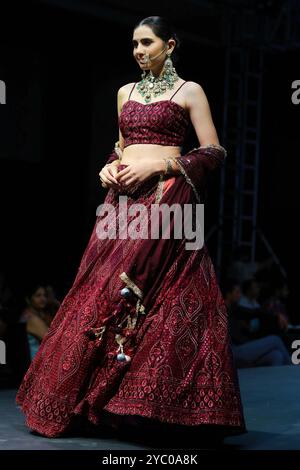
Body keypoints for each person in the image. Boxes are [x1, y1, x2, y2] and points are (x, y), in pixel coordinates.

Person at [16, 16, 246, 441]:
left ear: (170, 45)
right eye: (134, 44)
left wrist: (163, 164)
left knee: (169, 294)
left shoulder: (189, 91)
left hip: (168, 202)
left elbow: (214, 150)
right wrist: (108, 166)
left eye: (146, 42)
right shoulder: (125, 92)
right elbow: (122, 147)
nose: (138, 50)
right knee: (101, 291)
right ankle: (91, 403)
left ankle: (153, 408)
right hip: (121, 206)